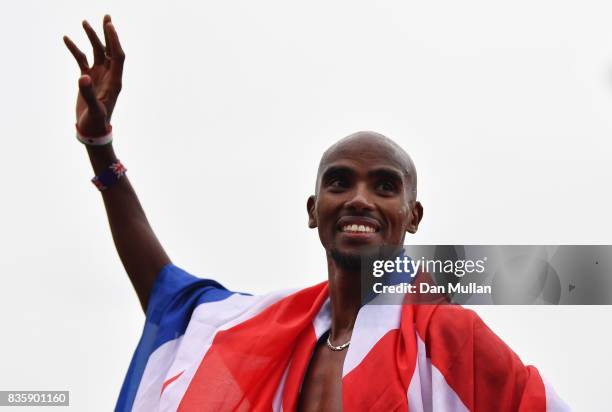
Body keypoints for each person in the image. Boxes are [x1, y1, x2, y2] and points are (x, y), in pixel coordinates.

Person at [64, 16, 570, 412]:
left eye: (385, 186)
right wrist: (100, 148)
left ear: (412, 216)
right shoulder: (269, 330)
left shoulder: (448, 337)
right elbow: (168, 296)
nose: (360, 199)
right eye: (340, 181)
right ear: (314, 210)